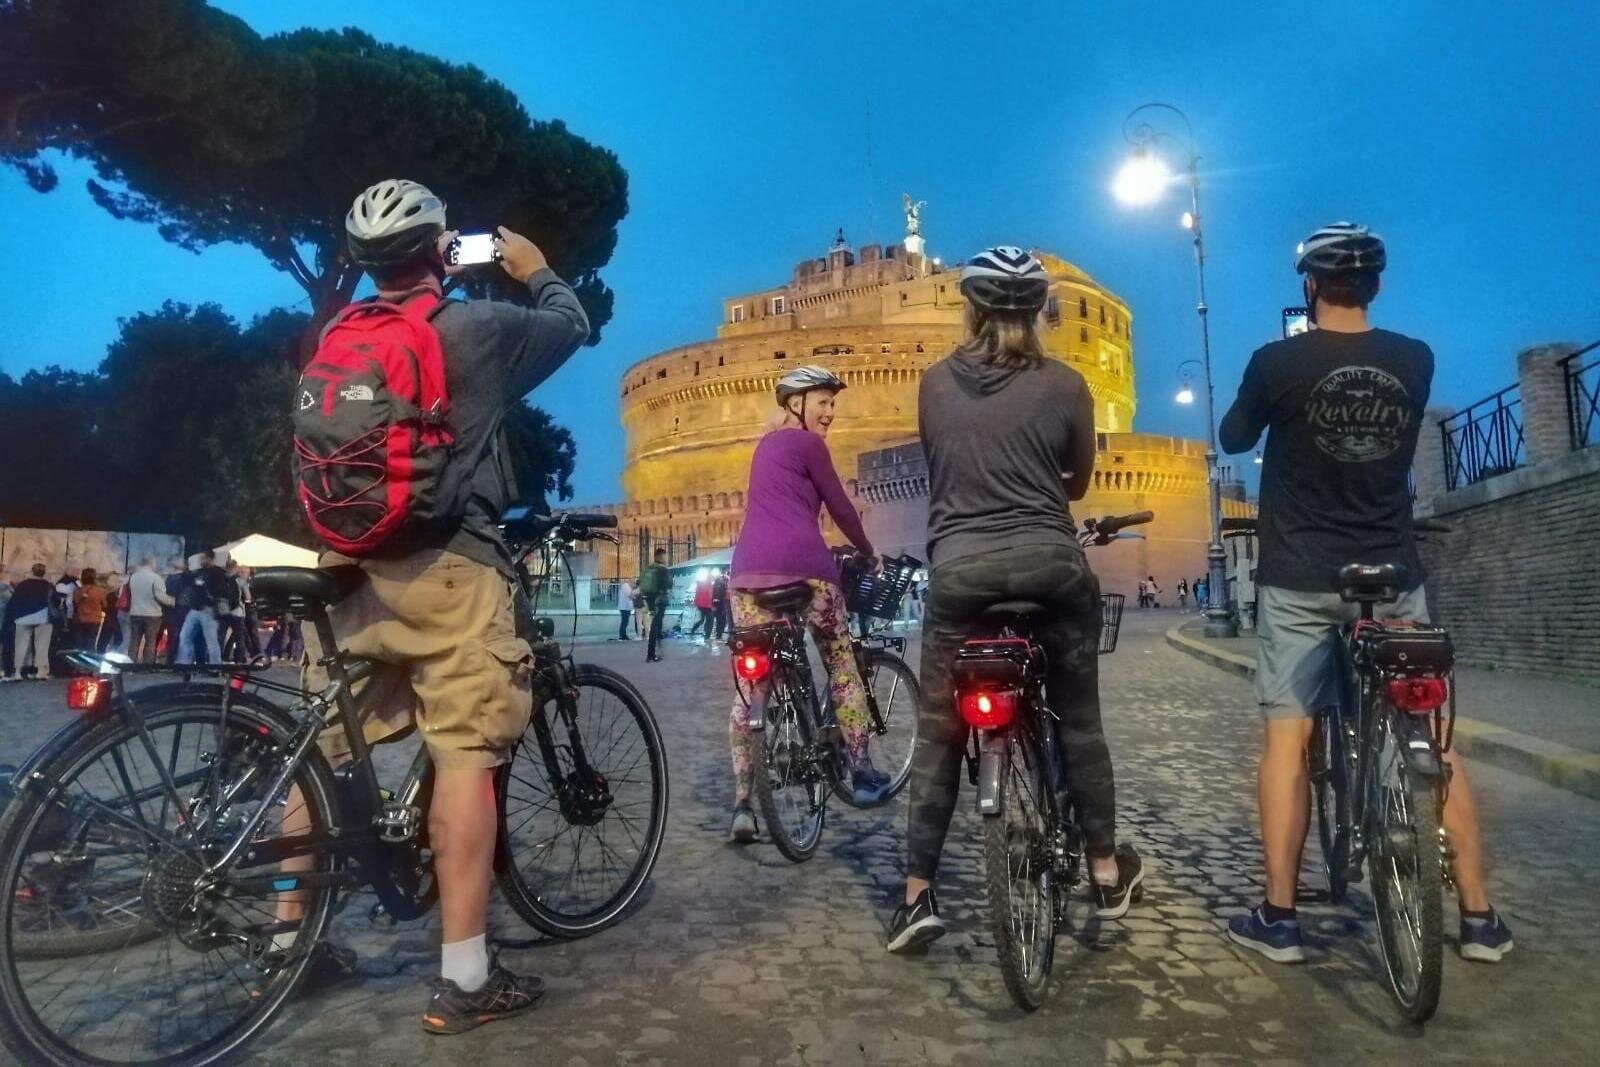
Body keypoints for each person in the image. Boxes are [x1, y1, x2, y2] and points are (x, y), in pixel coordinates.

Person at [287, 178, 590, 1033]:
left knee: (320, 754)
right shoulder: (476, 328)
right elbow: (571, 323)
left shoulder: (336, 334)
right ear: (440, 251)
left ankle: (286, 942)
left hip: (348, 569)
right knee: (466, 757)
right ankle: (464, 978)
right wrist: (533, 266)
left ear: (363, 262)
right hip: (450, 568)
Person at [1219, 222, 1511, 964]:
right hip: (1392, 572)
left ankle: (1280, 917)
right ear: (1375, 286)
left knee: (1287, 740)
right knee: (1433, 736)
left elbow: (1233, 437)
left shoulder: (1276, 362)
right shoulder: (1415, 358)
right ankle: (1480, 917)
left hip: (1300, 578)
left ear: (1309, 285)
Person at [890, 247, 1142, 953]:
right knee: (1080, 721)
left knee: (939, 733)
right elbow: (1078, 483)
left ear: (970, 310)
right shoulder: (1068, 384)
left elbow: (943, 467)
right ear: (1039, 313)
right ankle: (1103, 870)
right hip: (1051, 566)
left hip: (960, 573)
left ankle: (916, 897)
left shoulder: (934, 384)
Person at [725, 364, 890, 844]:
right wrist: (867, 550)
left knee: (749, 686)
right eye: (823, 401)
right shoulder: (808, 445)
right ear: (796, 404)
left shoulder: (765, 446)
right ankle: (860, 769)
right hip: (807, 571)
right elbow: (839, 505)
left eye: (833, 403)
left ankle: (743, 804)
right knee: (841, 662)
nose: (830, 412)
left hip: (746, 576)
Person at [176, 553, 229, 665]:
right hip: (195, 609)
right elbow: (190, 583)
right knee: (184, 636)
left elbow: (221, 591)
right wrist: (185, 571)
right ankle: (184, 664)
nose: (201, 561)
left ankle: (215, 666)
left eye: (203, 558)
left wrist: (211, 603)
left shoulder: (218, 573)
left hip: (208, 611)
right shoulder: (199, 572)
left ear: (211, 558)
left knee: (211, 641)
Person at [7, 564, 56, 680]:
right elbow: (56, 601)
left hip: (22, 617)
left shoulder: (23, 585)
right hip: (43, 617)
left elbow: (14, 601)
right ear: (44, 573)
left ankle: (18, 672)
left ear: (31, 571)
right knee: (42, 645)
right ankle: (41, 672)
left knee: (20, 645)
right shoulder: (48, 585)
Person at [123, 556, 172, 663]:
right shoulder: (155, 578)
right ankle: (147, 665)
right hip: (152, 615)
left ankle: (130, 663)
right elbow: (160, 596)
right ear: (151, 563)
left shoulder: (134, 577)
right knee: (150, 642)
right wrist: (173, 601)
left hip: (135, 613)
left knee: (134, 641)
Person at [638, 550, 672, 662]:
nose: (666, 558)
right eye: (665, 556)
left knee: (656, 624)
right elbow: (669, 584)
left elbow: (640, 582)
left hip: (650, 599)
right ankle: (652, 654)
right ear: (661, 556)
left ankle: (656, 651)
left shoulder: (648, 568)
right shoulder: (662, 569)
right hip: (660, 599)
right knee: (656, 626)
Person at [71, 568, 107, 651]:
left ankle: (78, 658)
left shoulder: (77, 591)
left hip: (79, 619)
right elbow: (104, 605)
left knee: (78, 644)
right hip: (94, 619)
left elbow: (75, 603)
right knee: (90, 644)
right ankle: (89, 658)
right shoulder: (100, 591)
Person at [711, 569, 730, 641]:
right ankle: (719, 634)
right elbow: (717, 592)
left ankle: (719, 634)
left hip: (721, 602)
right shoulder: (721, 581)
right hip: (721, 602)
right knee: (721, 619)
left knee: (721, 619)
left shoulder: (720, 581)